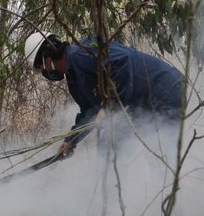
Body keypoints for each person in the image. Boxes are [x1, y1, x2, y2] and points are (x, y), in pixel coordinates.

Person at [24, 32, 184, 157]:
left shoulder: (82, 53)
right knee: (108, 148)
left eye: (42, 68)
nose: (46, 73)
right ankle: (112, 197)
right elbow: (90, 110)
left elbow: (123, 62)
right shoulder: (73, 77)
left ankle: (171, 195)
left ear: (47, 58)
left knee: (160, 151)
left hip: (163, 88)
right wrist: (71, 140)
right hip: (139, 102)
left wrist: (109, 106)